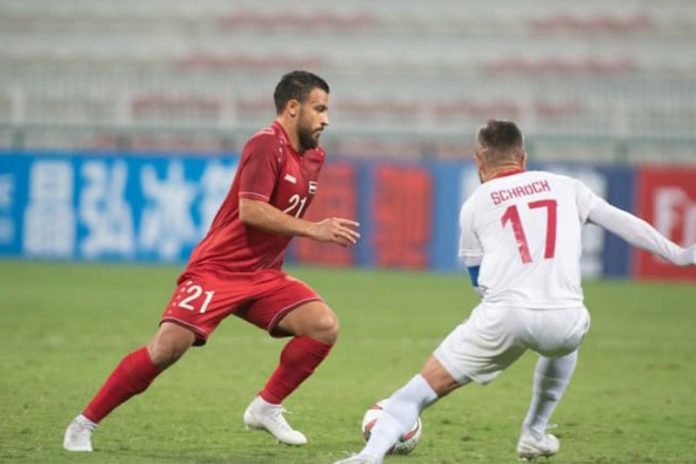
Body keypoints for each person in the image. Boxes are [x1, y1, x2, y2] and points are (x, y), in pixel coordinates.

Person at [335, 119, 696, 463]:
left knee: (413, 395)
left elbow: (477, 279)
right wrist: (678, 255)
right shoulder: (567, 186)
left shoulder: (476, 203)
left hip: (505, 315)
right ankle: (534, 431)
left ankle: (369, 456)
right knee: (564, 338)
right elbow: (625, 223)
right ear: (522, 157)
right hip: (566, 319)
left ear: (479, 160)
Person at [64, 70, 361, 452]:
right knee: (167, 349)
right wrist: (313, 229)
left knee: (323, 326)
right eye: (318, 109)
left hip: (263, 275)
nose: (326, 119)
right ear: (292, 108)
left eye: (327, 111)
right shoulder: (264, 145)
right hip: (218, 271)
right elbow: (250, 211)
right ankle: (82, 425)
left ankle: (266, 406)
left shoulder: (314, 157)